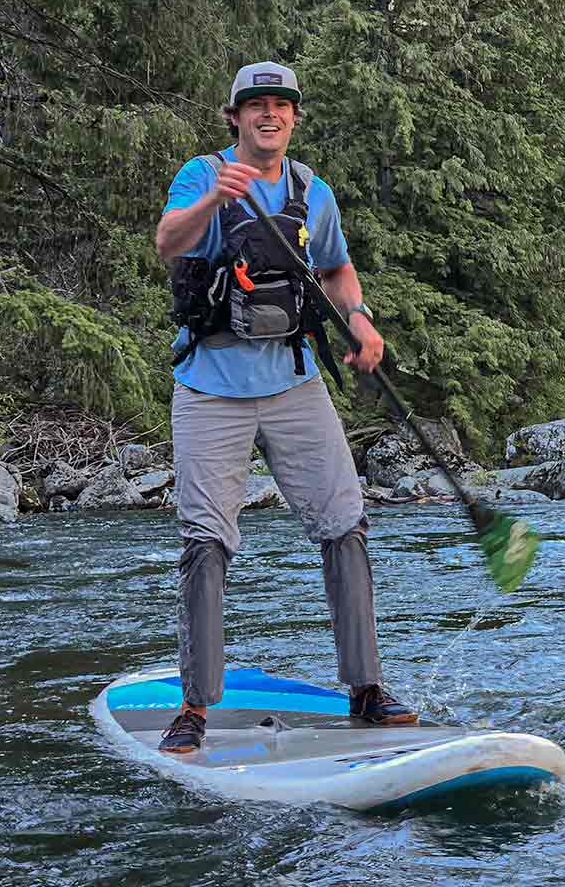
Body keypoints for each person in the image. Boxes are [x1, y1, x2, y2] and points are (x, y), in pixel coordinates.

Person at [150, 61, 418, 754]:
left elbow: (335, 266)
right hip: (210, 384)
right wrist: (215, 200)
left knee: (344, 524)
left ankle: (365, 689)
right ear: (234, 117)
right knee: (206, 541)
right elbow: (167, 241)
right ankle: (195, 707)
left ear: (294, 117)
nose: (269, 114)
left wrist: (358, 317)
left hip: (295, 383)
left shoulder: (312, 190)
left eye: (281, 105)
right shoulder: (201, 174)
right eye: (256, 105)